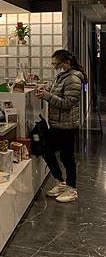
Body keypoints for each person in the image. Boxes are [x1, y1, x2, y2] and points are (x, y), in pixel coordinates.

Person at [36, 49, 86, 203]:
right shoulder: (62, 76)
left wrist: (47, 96)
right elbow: (54, 88)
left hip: (67, 126)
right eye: (53, 64)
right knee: (46, 149)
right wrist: (45, 88)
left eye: (56, 64)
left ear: (67, 63)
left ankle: (72, 189)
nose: (55, 67)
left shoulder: (73, 79)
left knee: (67, 157)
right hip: (57, 124)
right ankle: (60, 182)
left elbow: (67, 103)